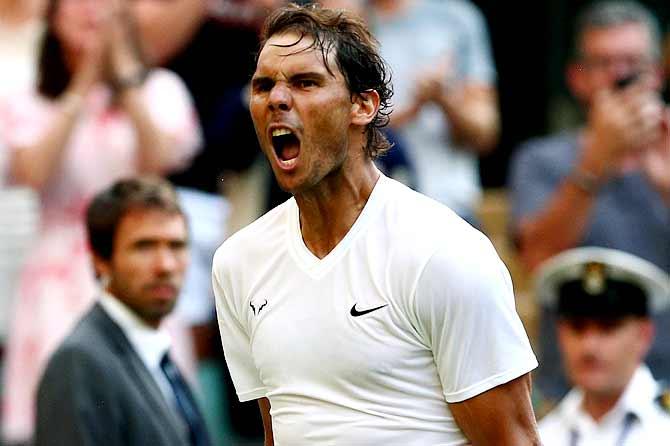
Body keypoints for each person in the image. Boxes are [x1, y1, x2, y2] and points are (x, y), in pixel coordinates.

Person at [213, 4, 540, 445]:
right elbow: (280, 430)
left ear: (362, 105)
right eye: (263, 85)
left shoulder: (444, 253)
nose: (276, 99)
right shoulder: (237, 263)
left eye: (305, 82)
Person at [0, 0, 201, 442]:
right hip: (58, 270)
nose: (91, 13)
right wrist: (82, 85)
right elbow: (32, 172)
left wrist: (123, 80)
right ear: (52, 18)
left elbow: (160, 163)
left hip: (138, 261)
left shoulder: (159, 89)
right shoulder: (28, 99)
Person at [508, 0, 670, 402]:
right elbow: (537, 261)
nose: (620, 77)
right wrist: (596, 162)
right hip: (572, 395)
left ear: (658, 74)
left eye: (633, 62)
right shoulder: (541, 160)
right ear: (577, 78)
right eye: (603, 64)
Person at [34, 177, 211, 446]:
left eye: (176, 246)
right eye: (145, 246)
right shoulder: (79, 361)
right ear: (100, 261)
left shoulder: (156, 352)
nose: (165, 265)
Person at [367, 0, 500, 220]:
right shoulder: (343, 17)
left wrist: (442, 98)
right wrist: (410, 109)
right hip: (368, 216)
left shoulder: (455, 17)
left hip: (448, 208)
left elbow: (485, 132)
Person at [534, 247, 670, 445]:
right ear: (560, 334)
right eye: (577, 328)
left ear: (644, 334)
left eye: (608, 328)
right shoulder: (543, 435)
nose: (589, 347)